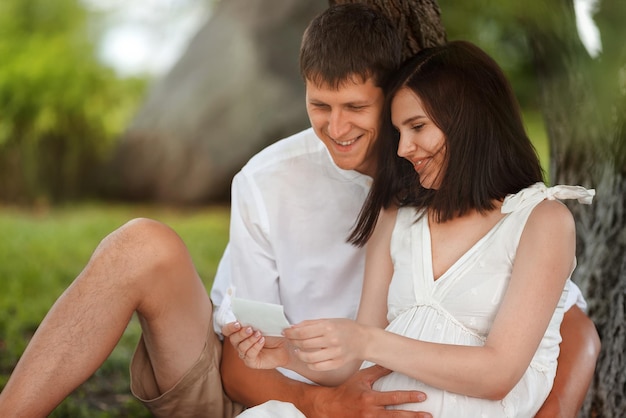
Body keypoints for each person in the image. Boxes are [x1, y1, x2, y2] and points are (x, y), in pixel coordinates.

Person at [0, 4, 599, 418]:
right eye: (320, 105)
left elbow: (569, 328)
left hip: (379, 385)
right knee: (138, 243)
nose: (335, 130)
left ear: (396, 98)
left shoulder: (449, 191)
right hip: (265, 387)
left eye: (357, 108)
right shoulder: (270, 179)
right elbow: (239, 360)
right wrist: (317, 401)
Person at [229, 40, 597, 417]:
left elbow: (498, 373)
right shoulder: (397, 217)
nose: (404, 148)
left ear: (468, 119)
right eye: (399, 133)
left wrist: (368, 341)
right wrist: (288, 354)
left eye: (417, 127)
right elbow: (352, 360)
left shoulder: (542, 220)